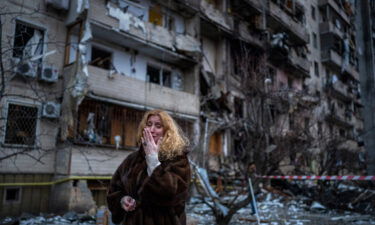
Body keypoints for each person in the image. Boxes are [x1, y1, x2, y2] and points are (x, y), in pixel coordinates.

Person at [107, 109, 191, 225]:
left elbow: (173, 194)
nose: (152, 130)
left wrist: (153, 159)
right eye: (149, 124)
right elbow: (114, 189)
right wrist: (122, 200)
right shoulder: (132, 159)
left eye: (158, 126)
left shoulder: (177, 158)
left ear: (167, 131)